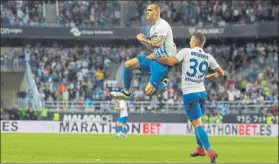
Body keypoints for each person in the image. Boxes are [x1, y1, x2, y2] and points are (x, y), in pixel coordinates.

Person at [150, 32, 225, 163]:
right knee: (198, 122)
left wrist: (156, 56)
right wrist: (210, 76)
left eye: (191, 40)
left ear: (195, 42)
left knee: (197, 125)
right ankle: (200, 148)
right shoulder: (208, 57)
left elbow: (170, 61)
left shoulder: (186, 52)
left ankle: (210, 151)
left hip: (190, 94)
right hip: (202, 93)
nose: (190, 42)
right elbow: (221, 73)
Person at [111, 3, 177, 99]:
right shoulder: (152, 29)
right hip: (155, 58)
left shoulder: (162, 25)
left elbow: (158, 43)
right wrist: (142, 41)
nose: (147, 12)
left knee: (148, 92)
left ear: (158, 12)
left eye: (150, 10)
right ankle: (126, 92)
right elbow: (153, 47)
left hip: (164, 62)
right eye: (147, 10)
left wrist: (143, 39)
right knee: (128, 64)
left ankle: (162, 83)